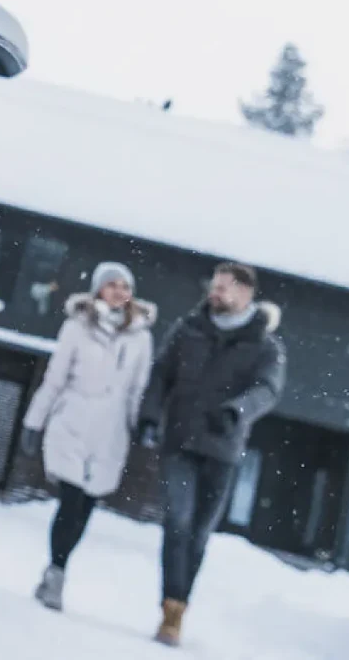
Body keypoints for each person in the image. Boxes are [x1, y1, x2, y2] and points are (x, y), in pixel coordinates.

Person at [137, 261, 286, 647]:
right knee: (177, 521)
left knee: (199, 534)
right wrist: (150, 416)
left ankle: (181, 601)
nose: (214, 294)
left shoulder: (265, 345)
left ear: (245, 294)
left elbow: (267, 390)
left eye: (223, 288)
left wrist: (237, 411)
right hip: (180, 442)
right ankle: (170, 609)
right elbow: (160, 374)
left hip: (222, 450)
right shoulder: (189, 330)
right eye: (214, 287)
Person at [20, 262, 157, 611]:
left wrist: (143, 425)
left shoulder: (141, 337)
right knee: (70, 499)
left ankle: (58, 566)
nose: (118, 291)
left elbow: (139, 389)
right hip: (74, 420)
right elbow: (55, 378)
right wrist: (34, 422)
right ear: (98, 290)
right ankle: (56, 573)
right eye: (111, 285)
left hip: (111, 432)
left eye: (124, 286)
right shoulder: (77, 327)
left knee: (86, 505)